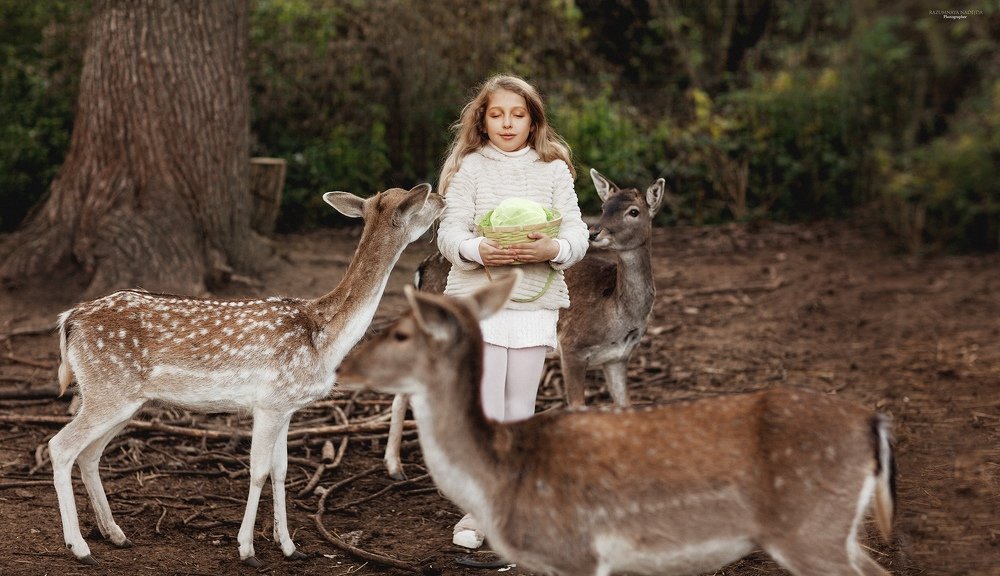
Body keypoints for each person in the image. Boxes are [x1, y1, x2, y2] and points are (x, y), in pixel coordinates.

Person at [435, 74, 590, 549]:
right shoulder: (469, 168)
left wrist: (555, 246)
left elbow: (579, 235)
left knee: (519, 408)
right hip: (479, 302)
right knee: (485, 406)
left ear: (533, 120)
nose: (507, 123)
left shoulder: (554, 170)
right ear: (481, 119)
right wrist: (479, 248)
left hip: (533, 301)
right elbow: (449, 233)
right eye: (497, 114)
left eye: (517, 114)